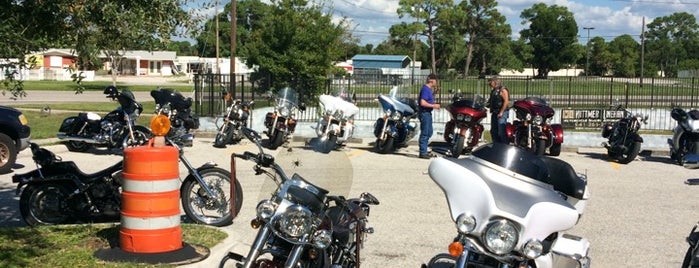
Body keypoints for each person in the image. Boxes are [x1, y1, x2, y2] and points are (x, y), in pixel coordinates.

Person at [418, 73, 441, 159]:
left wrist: (435, 92)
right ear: (432, 80)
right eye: (436, 81)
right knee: (425, 132)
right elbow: (423, 102)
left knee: (429, 132)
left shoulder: (428, 89)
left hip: (428, 113)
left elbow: (429, 99)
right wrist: (434, 106)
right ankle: (423, 152)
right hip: (425, 113)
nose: (436, 82)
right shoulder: (425, 89)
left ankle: (424, 149)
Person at [487, 76, 510, 143]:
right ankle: (496, 145)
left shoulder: (502, 90)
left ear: (495, 82)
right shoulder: (493, 91)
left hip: (502, 112)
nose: (489, 83)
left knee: (501, 131)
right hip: (494, 112)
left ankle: (505, 146)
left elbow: (506, 101)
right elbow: (491, 102)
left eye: (490, 82)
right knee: (493, 131)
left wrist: (501, 112)